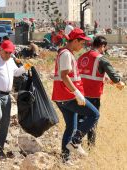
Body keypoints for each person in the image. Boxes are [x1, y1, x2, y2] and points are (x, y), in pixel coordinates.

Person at [51, 28, 100, 163]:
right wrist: (76, 93)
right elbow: (64, 75)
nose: (82, 46)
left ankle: (65, 159)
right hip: (68, 96)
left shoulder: (67, 53)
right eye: (81, 43)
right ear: (75, 41)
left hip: (62, 96)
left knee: (71, 127)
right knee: (94, 114)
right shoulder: (66, 54)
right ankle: (75, 141)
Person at [77, 36, 125, 146]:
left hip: (79, 94)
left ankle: (75, 142)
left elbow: (87, 74)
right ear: (102, 46)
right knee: (93, 119)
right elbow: (113, 75)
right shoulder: (100, 58)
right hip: (93, 95)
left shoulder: (82, 57)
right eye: (105, 48)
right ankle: (90, 145)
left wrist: (105, 79)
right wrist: (119, 82)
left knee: (80, 119)